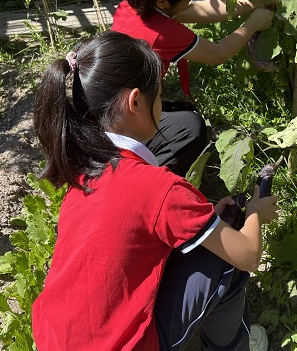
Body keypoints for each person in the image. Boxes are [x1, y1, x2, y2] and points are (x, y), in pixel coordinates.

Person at [31, 31, 279, 351]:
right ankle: (234, 345)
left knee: (210, 237)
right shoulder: (158, 188)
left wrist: (205, 219)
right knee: (227, 256)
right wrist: (256, 214)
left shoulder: (83, 177)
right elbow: (248, 255)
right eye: (159, 94)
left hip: (55, 339)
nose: (162, 104)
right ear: (136, 101)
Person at [112, 0, 275, 177]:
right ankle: (141, 176)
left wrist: (251, 5)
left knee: (179, 114)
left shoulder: (136, 4)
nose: (191, 3)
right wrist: (254, 24)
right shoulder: (162, 33)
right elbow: (219, 54)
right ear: (163, 3)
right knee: (191, 128)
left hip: (114, 106)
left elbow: (198, 10)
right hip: (125, 119)